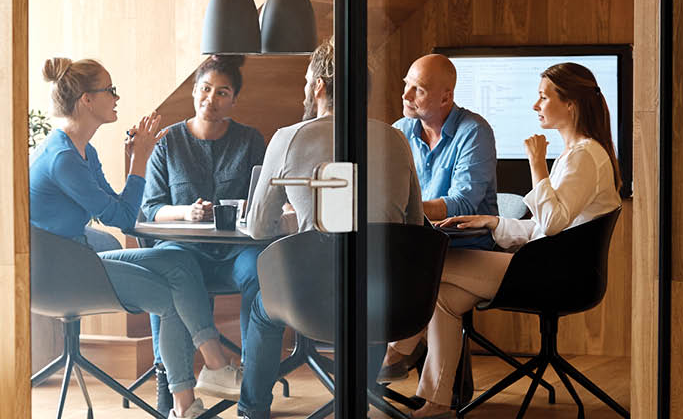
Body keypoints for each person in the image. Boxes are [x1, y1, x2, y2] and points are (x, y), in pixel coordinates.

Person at [381, 63, 623, 419]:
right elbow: (542, 227)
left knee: (434, 265)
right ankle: (436, 402)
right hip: (550, 265)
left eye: (543, 97)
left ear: (570, 104)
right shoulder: (580, 154)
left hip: (558, 275)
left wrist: (537, 164)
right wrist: (492, 221)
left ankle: (397, 349)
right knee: (445, 299)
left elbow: (553, 225)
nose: (535, 105)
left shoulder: (585, 155)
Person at [29, 57, 243, 419]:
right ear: (87, 100)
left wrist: (134, 160)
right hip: (58, 275)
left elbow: (118, 207)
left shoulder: (83, 151)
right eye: (109, 90)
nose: (115, 97)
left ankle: (214, 368)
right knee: (170, 298)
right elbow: (126, 220)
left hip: (78, 258)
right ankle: (186, 404)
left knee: (179, 260)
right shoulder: (63, 158)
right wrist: (140, 162)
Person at [236, 38, 425, 419]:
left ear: (319, 85)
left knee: (261, 304)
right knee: (372, 280)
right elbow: (414, 226)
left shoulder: (288, 138)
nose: (305, 88)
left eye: (307, 80)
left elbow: (258, 228)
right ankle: (356, 401)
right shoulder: (396, 137)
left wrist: (299, 219)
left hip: (313, 301)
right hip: (389, 301)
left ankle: (251, 411)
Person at [140, 54, 267, 409]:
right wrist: (187, 213)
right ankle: (172, 382)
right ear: (194, 91)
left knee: (261, 271)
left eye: (222, 93)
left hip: (236, 252)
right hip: (185, 251)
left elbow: (263, 202)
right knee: (169, 270)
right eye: (205, 89)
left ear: (234, 100)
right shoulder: (168, 142)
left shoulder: (251, 140)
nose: (211, 99)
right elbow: (150, 208)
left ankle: (251, 383)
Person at [393, 54, 498, 249]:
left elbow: (463, 204)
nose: (406, 95)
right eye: (407, 84)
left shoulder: (475, 132)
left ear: (445, 97)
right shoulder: (400, 130)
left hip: (464, 247)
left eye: (419, 90)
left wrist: (405, 210)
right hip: (418, 243)